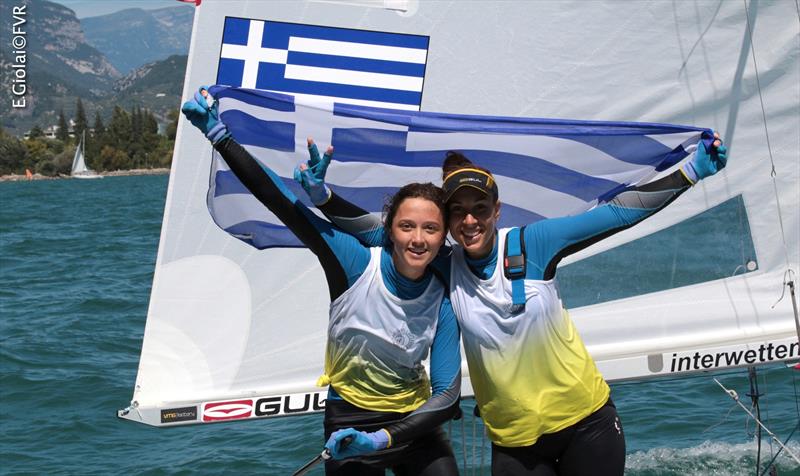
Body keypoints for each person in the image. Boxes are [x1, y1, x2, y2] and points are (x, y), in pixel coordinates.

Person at [296, 129, 728, 475]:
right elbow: (382, 232)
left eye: (479, 208)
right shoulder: (443, 262)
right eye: (458, 212)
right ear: (445, 222)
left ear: (497, 211)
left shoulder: (535, 243)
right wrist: (321, 196)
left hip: (586, 424)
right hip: (515, 443)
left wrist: (692, 171)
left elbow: (617, 213)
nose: (469, 220)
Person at [181, 87, 462, 476]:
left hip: (412, 426)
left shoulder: (444, 296)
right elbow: (281, 203)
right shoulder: (355, 263)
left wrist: (384, 438)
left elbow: (447, 396)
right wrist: (220, 136)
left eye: (431, 228)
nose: (418, 238)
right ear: (389, 230)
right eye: (407, 226)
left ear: (443, 235)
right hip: (349, 421)